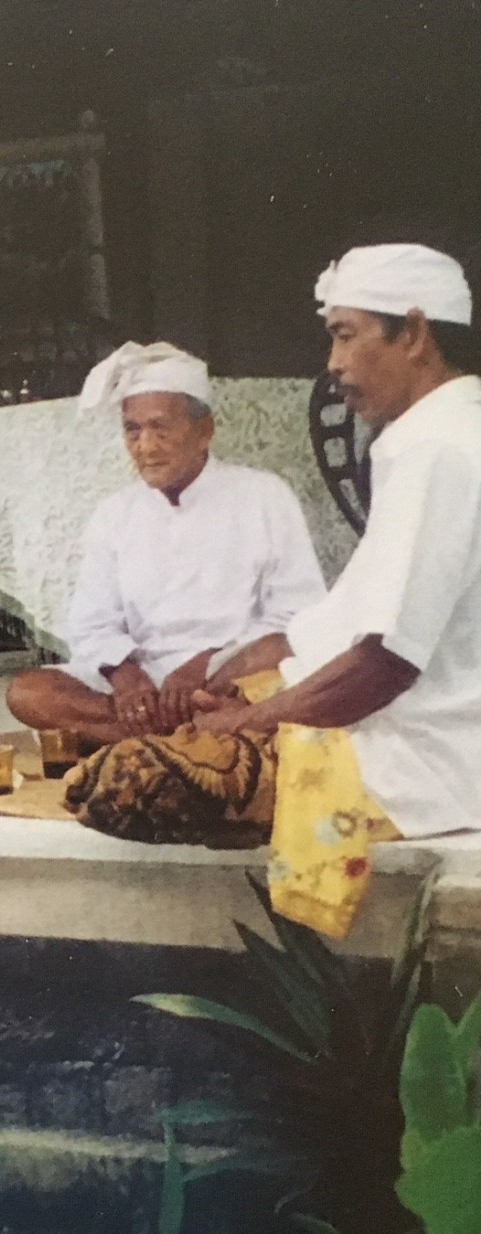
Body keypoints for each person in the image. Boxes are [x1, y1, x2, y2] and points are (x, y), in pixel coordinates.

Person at [68, 244, 481, 935]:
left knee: (122, 782)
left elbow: (385, 663)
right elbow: (346, 625)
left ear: (413, 333)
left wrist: (253, 719)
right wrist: (253, 684)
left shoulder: (442, 447)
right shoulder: (437, 435)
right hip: (387, 715)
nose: (334, 364)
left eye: (346, 336)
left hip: (425, 752)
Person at [7, 341, 325, 744]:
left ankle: (141, 738)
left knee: (280, 650)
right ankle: (195, 732)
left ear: (204, 430)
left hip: (225, 674)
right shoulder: (114, 513)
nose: (146, 447)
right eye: (133, 430)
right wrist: (127, 679)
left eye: (161, 428)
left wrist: (204, 664)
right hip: (142, 686)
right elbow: (92, 624)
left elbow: (297, 615)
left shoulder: (264, 495)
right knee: (28, 693)